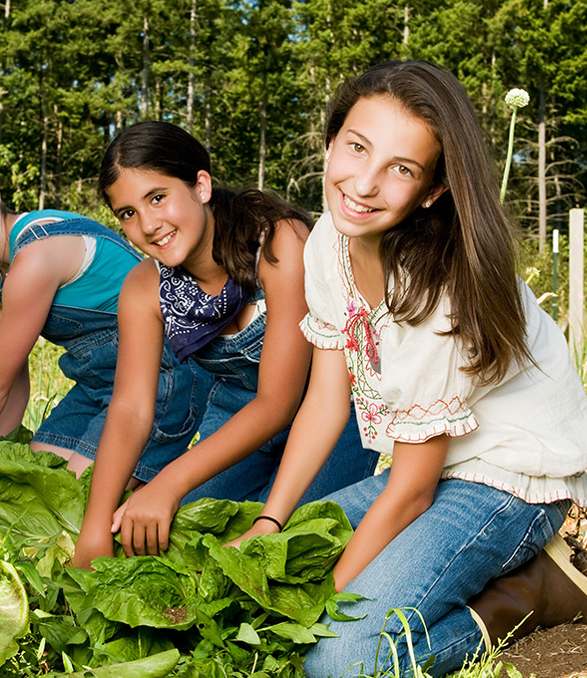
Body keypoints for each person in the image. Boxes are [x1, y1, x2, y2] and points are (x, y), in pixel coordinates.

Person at [232, 61, 587, 676]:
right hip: (430, 468)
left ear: (432, 190)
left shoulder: (437, 289)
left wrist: (321, 606)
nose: (363, 184)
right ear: (331, 142)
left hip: (508, 480)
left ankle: (525, 595)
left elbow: (410, 491)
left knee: (337, 659)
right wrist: (268, 521)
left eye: (401, 170)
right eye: (356, 148)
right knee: (283, 558)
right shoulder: (327, 243)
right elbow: (326, 403)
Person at [71, 122, 379, 568]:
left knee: (288, 549)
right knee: (180, 540)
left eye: (157, 197)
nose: (148, 225)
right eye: (127, 213)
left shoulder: (277, 241)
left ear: (200, 185)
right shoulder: (143, 288)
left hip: (327, 415)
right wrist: (95, 528)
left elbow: (279, 401)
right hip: (233, 416)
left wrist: (167, 482)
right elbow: (131, 408)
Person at [0, 139, 203, 502]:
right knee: (28, 485)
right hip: (98, 390)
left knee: (68, 500)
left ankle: (171, 484)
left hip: (162, 380)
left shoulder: (36, 254)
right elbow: (11, 386)